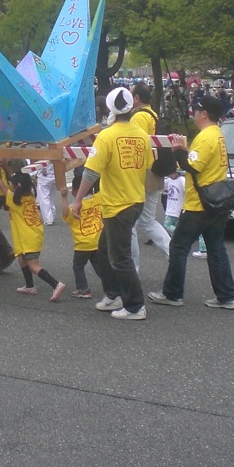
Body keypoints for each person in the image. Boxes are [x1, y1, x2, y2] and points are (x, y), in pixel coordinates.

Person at [148, 95, 234, 311]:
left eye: (196, 110)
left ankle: (172, 293)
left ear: (204, 114)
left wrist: (179, 151)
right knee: (216, 249)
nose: (193, 113)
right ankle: (227, 296)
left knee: (178, 246)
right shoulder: (217, 135)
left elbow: (192, 166)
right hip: (216, 201)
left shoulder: (206, 137)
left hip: (199, 204)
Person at [71, 86, 153, 321]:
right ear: (131, 106)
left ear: (110, 108)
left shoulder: (107, 135)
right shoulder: (140, 134)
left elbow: (90, 172)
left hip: (117, 204)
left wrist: (78, 201)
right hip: (134, 199)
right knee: (105, 249)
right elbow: (147, 167)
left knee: (120, 257)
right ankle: (114, 294)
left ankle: (135, 305)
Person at [0, 166, 65, 300]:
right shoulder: (30, 195)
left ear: (15, 187)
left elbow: (0, 185)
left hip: (28, 238)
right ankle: (29, 286)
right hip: (32, 235)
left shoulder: (15, 201)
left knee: (34, 266)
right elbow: (15, 182)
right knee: (22, 260)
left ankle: (56, 284)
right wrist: (5, 168)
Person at [128, 83, 170, 269]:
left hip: (143, 174)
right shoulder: (153, 114)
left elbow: (136, 147)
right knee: (148, 221)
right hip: (156, 172)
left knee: (130, 226)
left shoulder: (138, 117)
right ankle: (173, 253)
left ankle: (132, 270)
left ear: (136, 98)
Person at [59, 167, 103, 299]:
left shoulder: (74, 208)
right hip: (97, 240)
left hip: (82, 244)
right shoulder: (97, 199)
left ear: (77, 191)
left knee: (78, 266)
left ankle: (83, 289)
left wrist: (64, 197)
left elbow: (66, 214)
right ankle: (111, 283)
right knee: (98, 265)